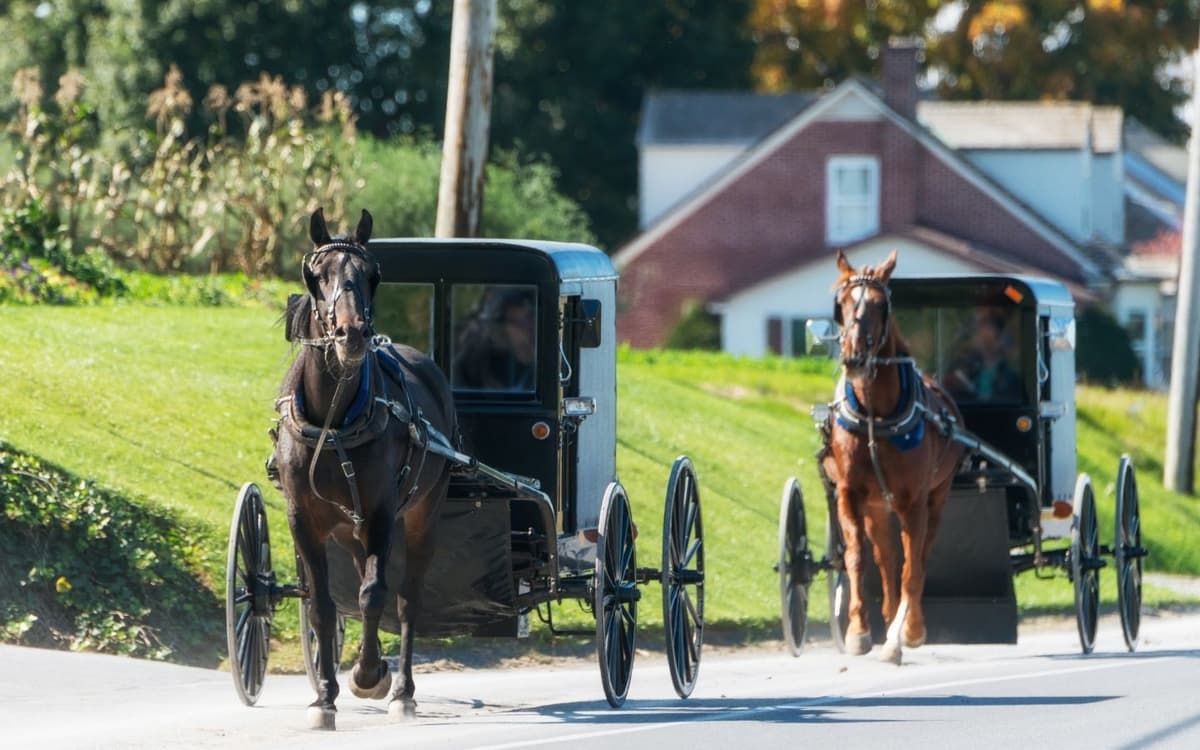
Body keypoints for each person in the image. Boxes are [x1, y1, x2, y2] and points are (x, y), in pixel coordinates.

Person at [452, 286, 537, 392]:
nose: (533, 328)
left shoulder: (537, 368)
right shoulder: (472, 360)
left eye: (533, 317)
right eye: (525, 321)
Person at [944, 307, 1022, 402]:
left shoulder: (1011, 380)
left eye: (983, 325)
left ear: (999, 336)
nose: (977, 334)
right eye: (978, 327)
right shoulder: (962, 369)